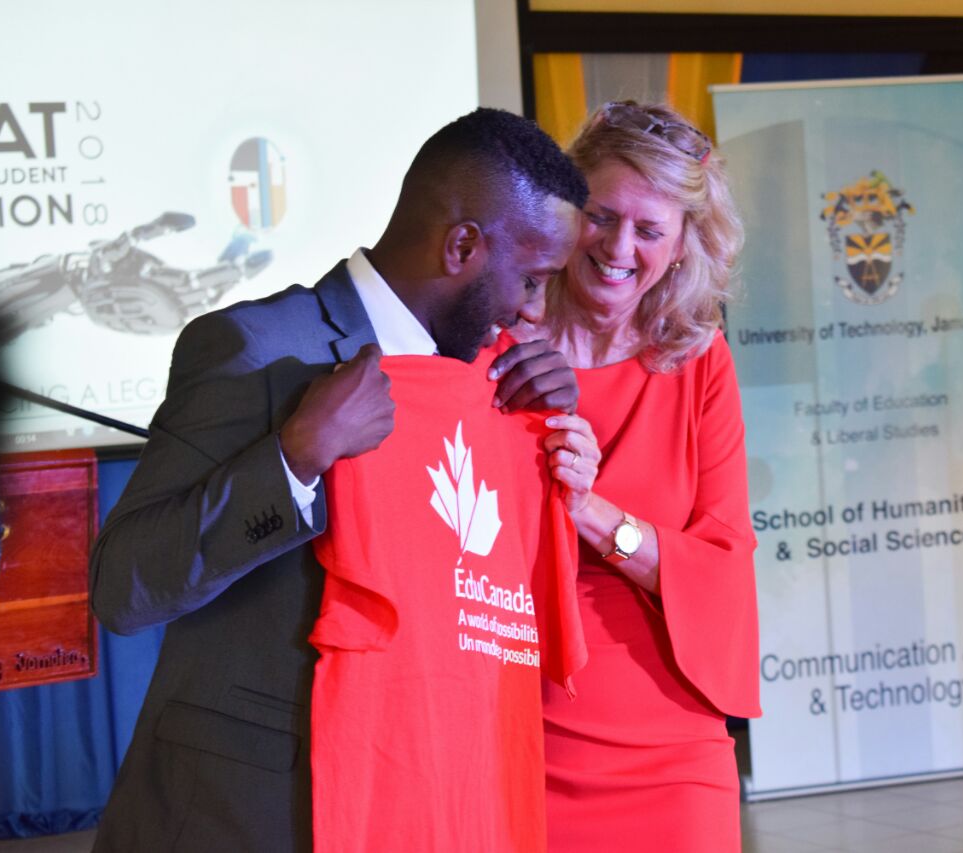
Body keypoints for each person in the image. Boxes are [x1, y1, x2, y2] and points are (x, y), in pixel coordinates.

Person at [87, 108, 588, 852]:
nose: (535, 310)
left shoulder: (495, 381)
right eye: (533, 278)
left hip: (419, 807)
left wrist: (547, 433)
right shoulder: (257, 350)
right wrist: (292, 459)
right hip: (250, 816)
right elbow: (122, 588)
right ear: (461, 246)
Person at [527, 101, 761, 852]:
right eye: (601, 215)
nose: (618, 246)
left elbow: (721, 570)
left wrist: (592, 512)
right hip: (517, 728)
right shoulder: (496, 338)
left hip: (673, 749)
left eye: (650, 229)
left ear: (685, 242)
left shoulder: (700, 363)